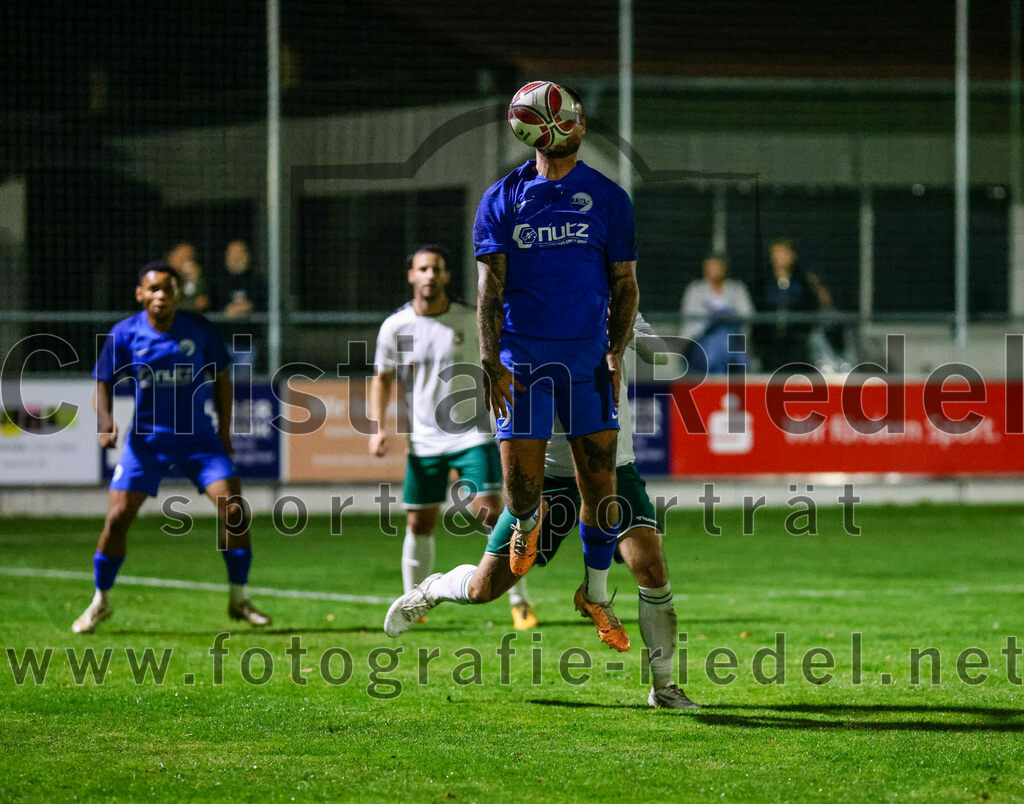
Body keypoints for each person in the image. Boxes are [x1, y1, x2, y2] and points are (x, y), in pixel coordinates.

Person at [384, 314, 699, 711]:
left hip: (613, 466)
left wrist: (624, 331)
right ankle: (433, 588)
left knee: (651, 569)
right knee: (484, 588)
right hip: (548, 476)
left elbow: (666, 359)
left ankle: (664, 687)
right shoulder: (534, 310)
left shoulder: (618, 305)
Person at [439, 82, 640, 651]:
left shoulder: (608, 198)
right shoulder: (502, 198)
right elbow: (490, 287)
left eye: (574, 115)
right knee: (524, 490)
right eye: (566, 117)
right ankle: (526, 528)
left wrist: (615, 350)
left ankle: (595, 594)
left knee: (600, 485)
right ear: (540, 131)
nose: (574, 124)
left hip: (586, 364)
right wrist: (488, 358)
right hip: (521, 363)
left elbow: (625, 284)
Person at [71, 261, 271, 633]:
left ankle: (239, 598)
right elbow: (102, 380)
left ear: (179, 293)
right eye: (154, 289)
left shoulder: (198, 329)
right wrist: (105, 421)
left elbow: (222, 379)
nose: (161, 295)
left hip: (199, 440)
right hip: (147, 442)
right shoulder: (125, 333)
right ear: (140, 294)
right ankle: (100, 601)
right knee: (117, 518)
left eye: (168, 288)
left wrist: (224, 431)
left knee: (234, 510)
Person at [369, 245, 537, 630]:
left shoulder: (468, 318)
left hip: (471, 435)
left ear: (445, 275)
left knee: (493, 514)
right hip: (423, 442)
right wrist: (378, 428)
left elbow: (499, 360)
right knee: (419, 522)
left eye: (436, 268)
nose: (429, 275)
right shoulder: (395, 326)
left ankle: (520, 602)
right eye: (422, 268)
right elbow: (382, 378)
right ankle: (414, 603)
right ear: (411, 276)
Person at [753, 238, 825, 372]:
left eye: (783, 253)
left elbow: (812, 309)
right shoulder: (763, 285)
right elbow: (757, 312)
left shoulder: (802, 284)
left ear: (792, 256)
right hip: (770, 344)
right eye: (776, 253)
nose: (778, 257)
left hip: (796, 343)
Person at [680, 253, 753, 374]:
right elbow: (690, 316)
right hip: (702, 338)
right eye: (709, 267)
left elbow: (747, 314)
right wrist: (712, 318)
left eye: (716, 267)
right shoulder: (695, 290)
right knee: (717, 339)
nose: (712, 270)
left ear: (724, 269)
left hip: (732, 338)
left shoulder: (737, 289)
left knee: (725, 336)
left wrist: (727, 316)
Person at [215, 239, 264, 375]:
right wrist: (226, 311)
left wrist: (247, 307)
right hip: (223, 342)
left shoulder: (256, 280)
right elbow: (210, 304)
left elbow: (263, 303)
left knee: (244, 382)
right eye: (233, 253)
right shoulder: (218, 280)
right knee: (223, 382)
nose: (237, 257)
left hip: (247, 342)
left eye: (241, 252)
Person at [166, 242, 210, 312]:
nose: (186, 262)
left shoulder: (191, 277)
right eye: (182, 258)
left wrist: (194, 279)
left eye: (189, 258)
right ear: (171, 257)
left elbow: (202, 301)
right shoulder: (163, 277)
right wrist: (193, 305)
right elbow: (170, 306)